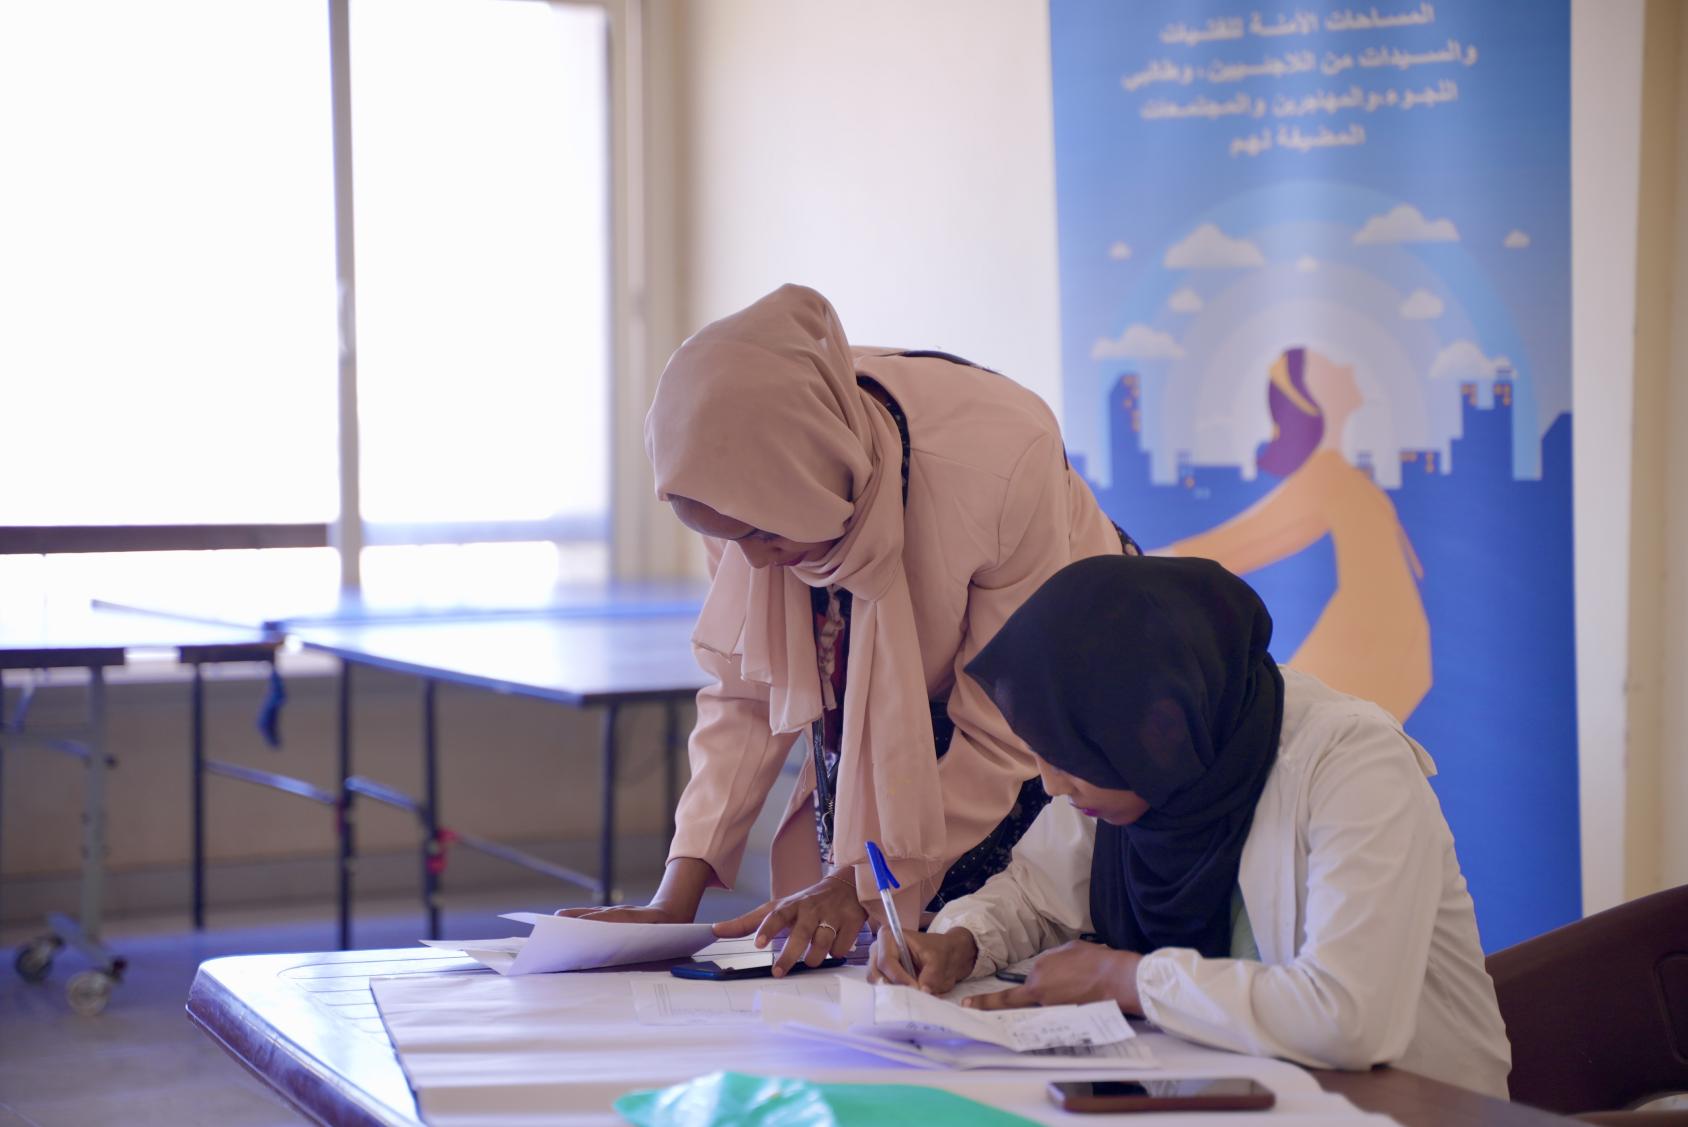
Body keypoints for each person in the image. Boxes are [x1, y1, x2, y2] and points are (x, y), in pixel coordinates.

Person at [560, 284, 1130, 975]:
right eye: (728, 540)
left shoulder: (1000, 461)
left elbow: (1003, 731)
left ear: (810, 481)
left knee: (989, 932)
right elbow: (746, 695)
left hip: (1059, 688)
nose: (756, 562)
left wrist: (857, 880)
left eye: (764, 533)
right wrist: (671, 899)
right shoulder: (745, 488)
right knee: (872, 952)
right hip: (889, 695)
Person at [867, 554, 1511, 1098]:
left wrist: (1127, 980)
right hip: (1214, 1100)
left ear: (1157, 730)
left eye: (1072, 758)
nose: (1055, 784)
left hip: (1398, 1107)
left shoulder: (1350, 762)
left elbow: (1349, 1017)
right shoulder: (1147, 767)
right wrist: (962, 940)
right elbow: (1038, 893)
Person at [1161, 346, 1429, 722]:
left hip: (1379, 656)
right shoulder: (1328, 475)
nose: (1348, 363)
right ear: (1311, 395)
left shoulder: (1343, 474)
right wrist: (1131, 558)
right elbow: (1244, 541)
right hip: (1362, 658)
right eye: (1330, 365)